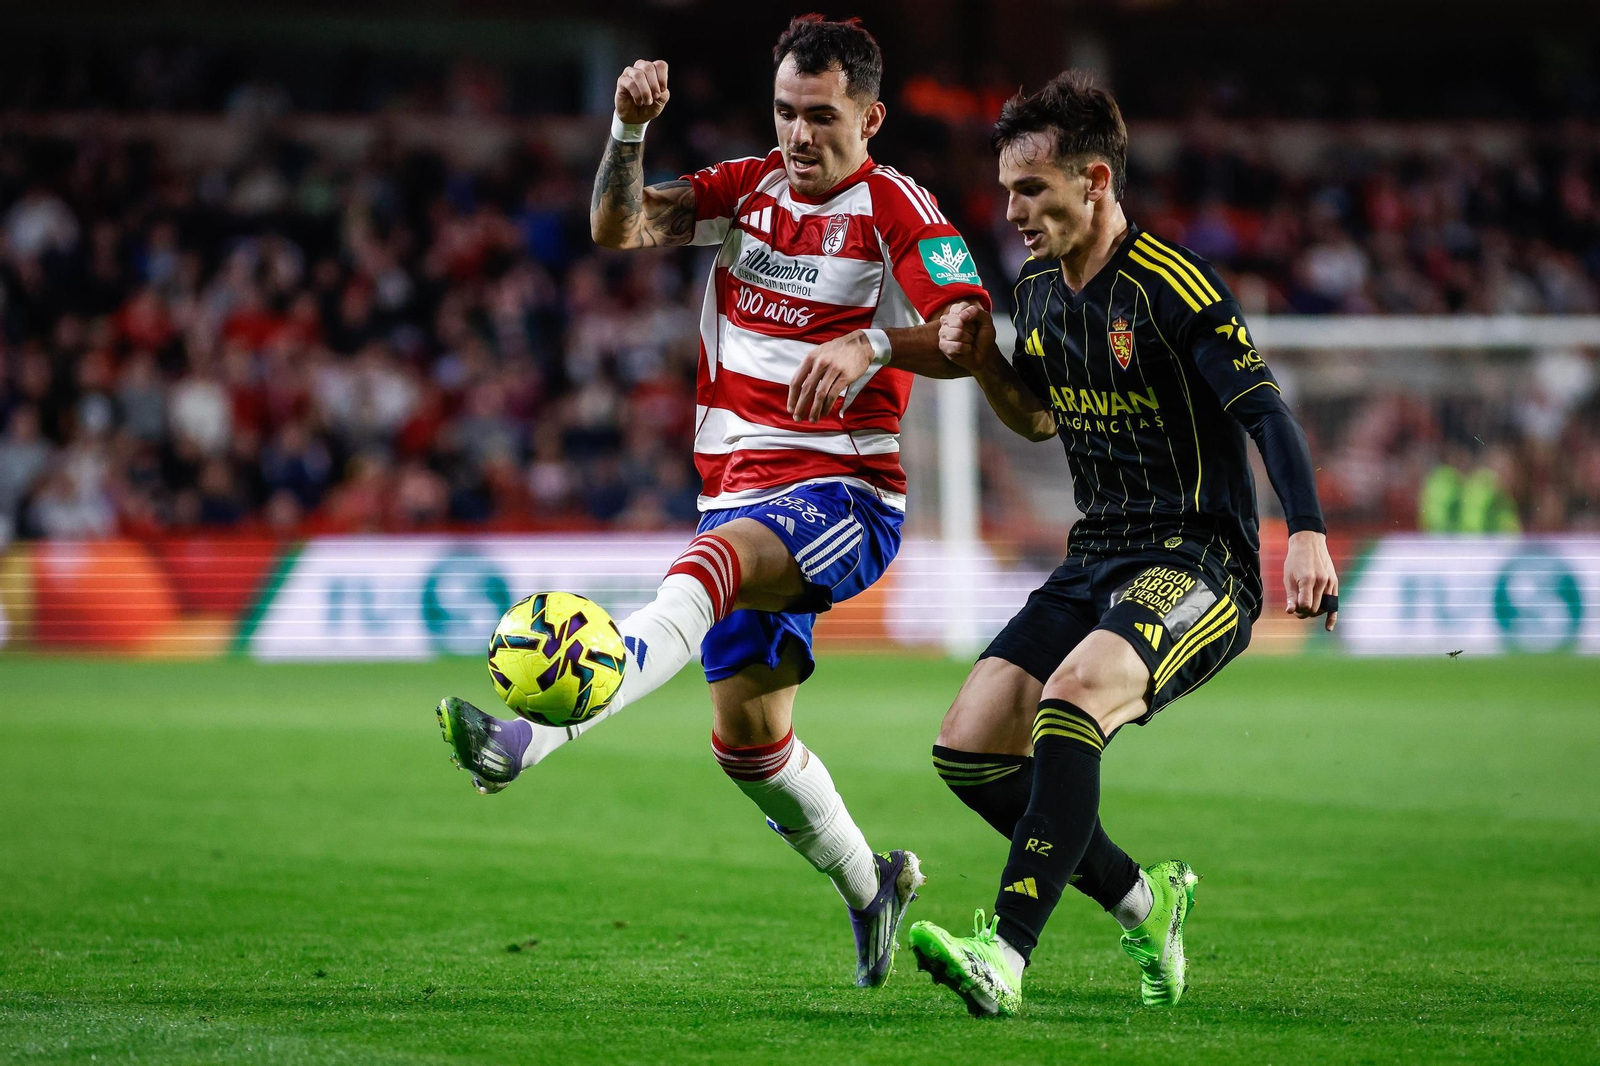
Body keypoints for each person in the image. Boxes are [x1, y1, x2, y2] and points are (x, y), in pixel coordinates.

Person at [435, 15, 992, 988]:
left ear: (872, 118)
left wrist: (869, 344)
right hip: (736, 488)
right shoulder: (747, 191)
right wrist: (624, 132)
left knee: (715, 564)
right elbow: (618, 227)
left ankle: (528, 738)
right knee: (750, 746)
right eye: (784, 112)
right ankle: (875, 885)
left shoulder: (895, 207)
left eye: (821, 117)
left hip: (845, 494)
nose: (798, 136)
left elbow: (967, 330)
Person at [904, 71, 1339, 1017]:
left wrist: (1304, 530)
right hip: (1095, 555)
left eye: (1033, 190)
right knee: (969, 748)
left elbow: (1265, 412)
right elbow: (1034, 419)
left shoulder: (1172, 285)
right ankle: (1148, 901)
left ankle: (1006, 956)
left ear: (1095, 180)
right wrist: (981, 361)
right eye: (1009, 190)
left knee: (1070, 700)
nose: (1012, 210)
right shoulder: (1037, 293)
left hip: (1199, 561)